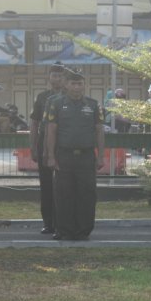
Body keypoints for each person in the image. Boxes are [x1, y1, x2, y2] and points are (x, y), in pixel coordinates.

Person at [45, 68, 105, 241]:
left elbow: (99, 131)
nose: (77, 87)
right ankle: (65, 230)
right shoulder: (57, 104)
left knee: (87, 194)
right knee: (64, 194)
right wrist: (51, 156)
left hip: (86, 156)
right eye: (73, 83)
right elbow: (51, 130)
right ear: (66, 85)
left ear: (84, 85)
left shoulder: (93, 105)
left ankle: (83, 231)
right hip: (64, 156)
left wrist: (101, 156)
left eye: (80, 84)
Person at [30, 61, 65, 235]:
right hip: (44, 143)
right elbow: (34, 122)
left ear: (64, 78)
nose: (56, 79)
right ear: (49, 78)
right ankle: (48, 223)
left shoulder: (70, 96)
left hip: (64, 143)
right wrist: (33, 146)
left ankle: (63, 222)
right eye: (54, 75)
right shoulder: (42, 97)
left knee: (64, 185)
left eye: (60, 76)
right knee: (46, 185)